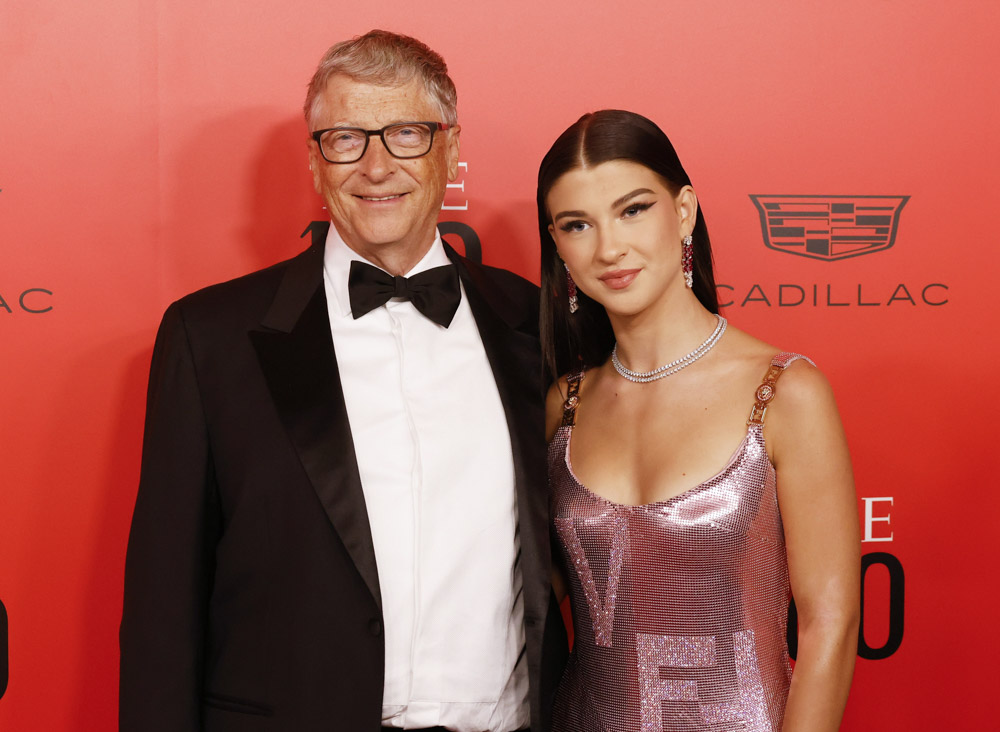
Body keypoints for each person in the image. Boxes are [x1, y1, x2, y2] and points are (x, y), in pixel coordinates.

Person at [120, 30, 566, 732]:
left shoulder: (535, 330)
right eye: (347, 138)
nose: (377, 165)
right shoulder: (210, 339)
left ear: (450, 148)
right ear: (314, 158)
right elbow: (161, 606)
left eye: (406, 135)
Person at [537, 110, 860, 731]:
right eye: (578, 224)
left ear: (683, 211)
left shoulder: (785, 393)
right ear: (558, 245)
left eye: (633, 209)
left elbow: (830, 626)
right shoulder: (563, 406)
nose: (609, 247)